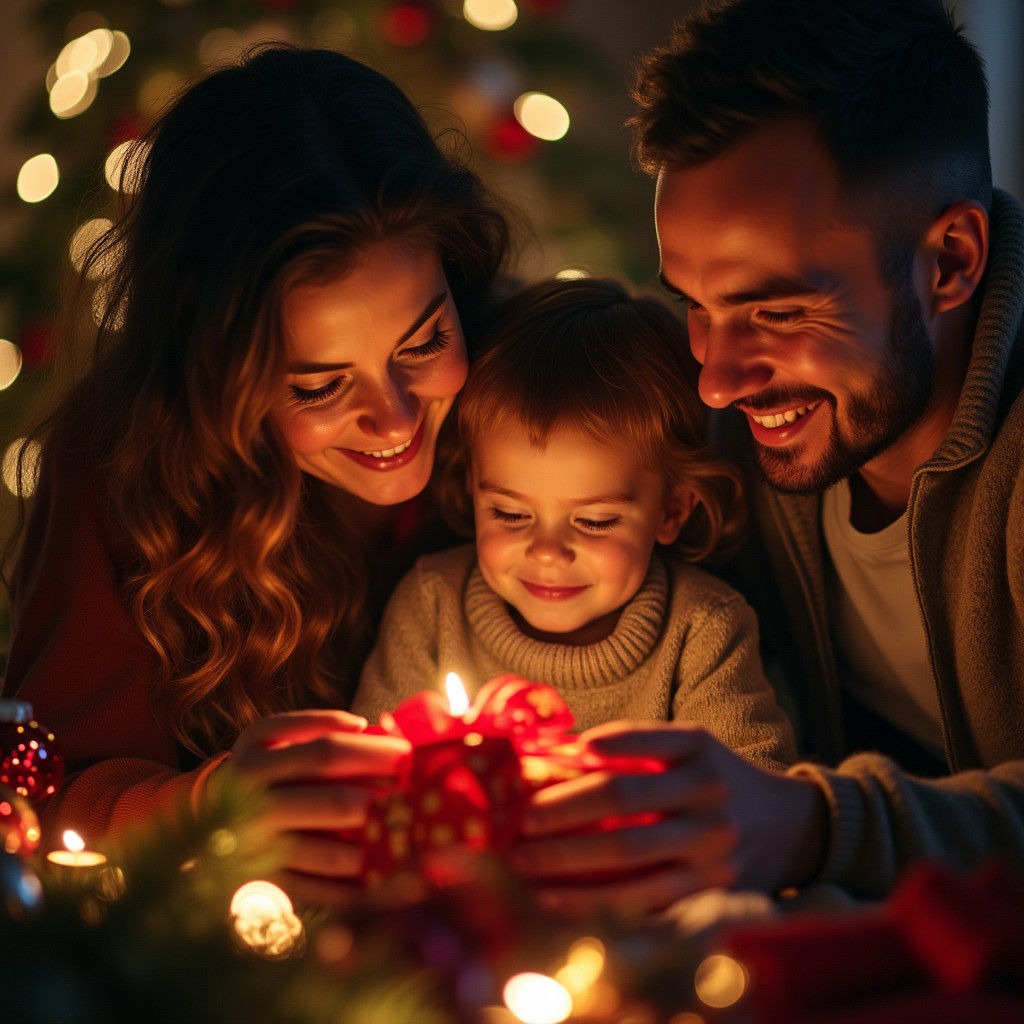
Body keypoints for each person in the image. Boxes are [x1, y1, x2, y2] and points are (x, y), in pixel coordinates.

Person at [507, 0, 1024, 912]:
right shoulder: (720, 436)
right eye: (694, 306)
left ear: (949, 261)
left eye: (777, 312)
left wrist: (810, 826)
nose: (715, 382)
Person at [1, 45, 510, 906]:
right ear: (219, 383)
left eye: (424, 341)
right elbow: (44, 798)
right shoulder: (120, 468)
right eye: (318, 385)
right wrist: (214, 806)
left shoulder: (529, 398)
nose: (393, 419)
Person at [353, 277, 796, 777]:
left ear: (671, 510)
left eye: (594, 521)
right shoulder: (431, 605)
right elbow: (371, 774)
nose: (547, 551)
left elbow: (755, 795)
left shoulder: (704, 630)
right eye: (510, 514)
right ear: (472, 485)